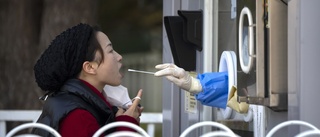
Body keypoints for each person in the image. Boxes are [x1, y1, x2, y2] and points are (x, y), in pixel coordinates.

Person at [32, 23, 143, 137]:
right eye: (110, 51)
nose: (119, 57)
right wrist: (127, 124)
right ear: (89, 67)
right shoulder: (77, 116)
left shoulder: (81, 103)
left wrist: (119, 119)